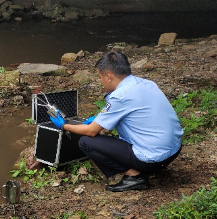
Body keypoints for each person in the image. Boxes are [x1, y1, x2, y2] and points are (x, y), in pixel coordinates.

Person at [49, 51, 183, 192]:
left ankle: (135, 177)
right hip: (173, 150)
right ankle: (146, 167)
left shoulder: (120, 96)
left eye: (100, 77)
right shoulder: (146, 83)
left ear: (109, 76)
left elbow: (91, 131)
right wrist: (99, 119)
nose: (101, 82)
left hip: (154, 159)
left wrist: (64, 125)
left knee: (86, 143)